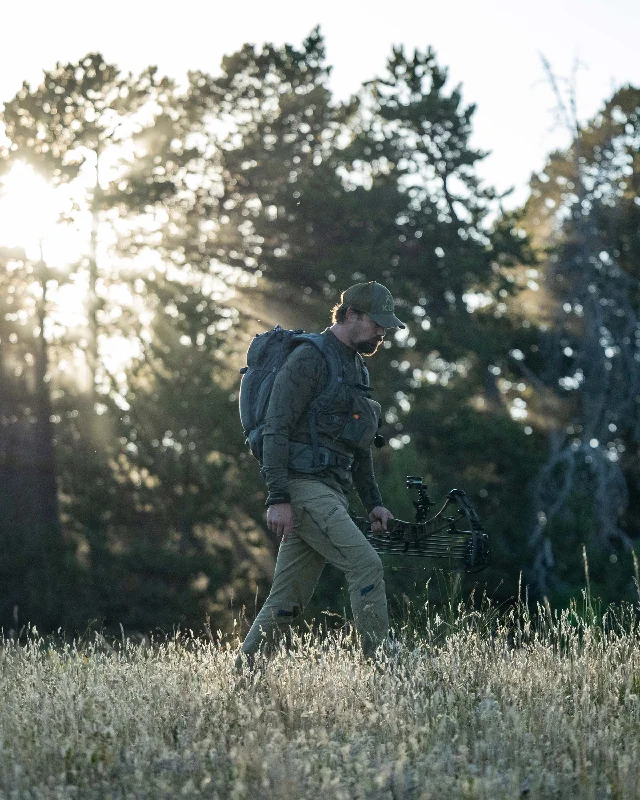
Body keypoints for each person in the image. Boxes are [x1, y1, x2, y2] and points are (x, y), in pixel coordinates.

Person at [237, 281, 406, 663]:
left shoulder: (357, 369)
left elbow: (359, 446)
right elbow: (277, 428)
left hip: (331, 491)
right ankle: (387, 670)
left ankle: (245, 678)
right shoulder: (309, 358)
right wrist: (278, 497)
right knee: (365, 564)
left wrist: (374, 503)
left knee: (287, 598)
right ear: (350, 315)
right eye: (376, 323)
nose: (382, 332)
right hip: (302, 488)